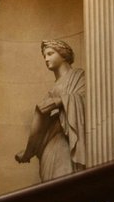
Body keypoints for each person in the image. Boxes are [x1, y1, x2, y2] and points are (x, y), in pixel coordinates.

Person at [14, 39, 87, 182]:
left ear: (63, 54)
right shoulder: (52, 90)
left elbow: (87, 100)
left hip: (65, 143)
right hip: (49, 146)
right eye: (44, 56)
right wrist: (30, 150)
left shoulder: (79, 77)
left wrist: (59, 101)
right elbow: (40, 123)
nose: (46, 59)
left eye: (50, 54)